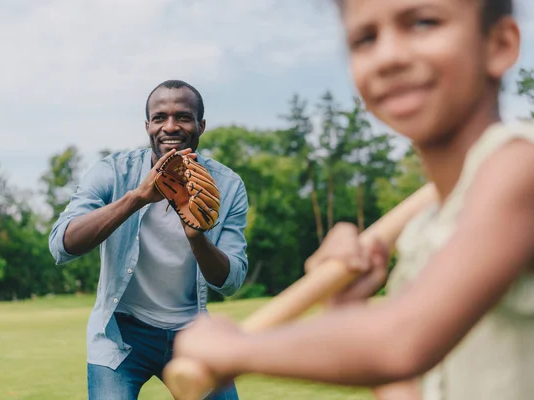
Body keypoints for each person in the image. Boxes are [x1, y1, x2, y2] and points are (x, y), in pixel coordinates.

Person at [172, 1, 534, 399]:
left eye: (423, 22)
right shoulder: (425, 232)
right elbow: (406, 386)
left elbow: (402, 342)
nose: (388, 57)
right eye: (365, 39)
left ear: (499, 44)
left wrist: (237, 349)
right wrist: (349, 306)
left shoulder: (520, 167)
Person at [48, 79, 248, 400]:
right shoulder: (112, 172)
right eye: (160, 118)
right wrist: (138, 197)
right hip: (121, 334)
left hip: (192, 334)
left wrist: (196, 237)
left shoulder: (228, 185)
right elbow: (62, 246)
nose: (171, 126)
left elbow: (230, 281)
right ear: (147, 126)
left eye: (183, 117)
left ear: (201, 125)